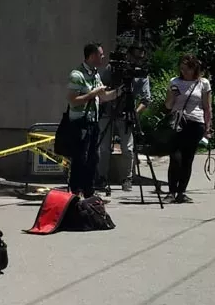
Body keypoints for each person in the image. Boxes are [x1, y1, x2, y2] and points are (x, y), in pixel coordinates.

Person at [66, 43, 121, 198]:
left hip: (93, 122)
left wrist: (120, 91)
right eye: (100, 54)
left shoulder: (96, 74)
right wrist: (94, 93)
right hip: (80, 123)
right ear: (92, 56)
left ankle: (89, 192)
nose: (103, 57)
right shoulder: (77, 75)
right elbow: (73, 100)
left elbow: (104, 97)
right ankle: (75, 192)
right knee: (80, 159)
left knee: (93, 158)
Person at [96, 45, 152, 192]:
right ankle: (101, 178)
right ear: (128, 55)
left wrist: (134, 113)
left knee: (127, 149)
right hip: (107, 111)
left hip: (126, 114)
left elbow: (146, 99)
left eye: (141, 58)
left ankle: (127, 178)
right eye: (135, 57)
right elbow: (101, 88)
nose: (137, 61)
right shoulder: (113, 69)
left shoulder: (140, 75)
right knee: (103, 148)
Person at [164, 54, 212, 203]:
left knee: (187, 159)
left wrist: (208, 127)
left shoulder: (203, 83)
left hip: (195, 123)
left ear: (194, 68)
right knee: (175, 158)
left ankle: (181, 192)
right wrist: (172, 95)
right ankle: (171, 191)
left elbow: (207, 107)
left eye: (187, 69)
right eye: (182, 69)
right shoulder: (175, 82)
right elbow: (168, 106)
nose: (184, 72)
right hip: (177, 123)